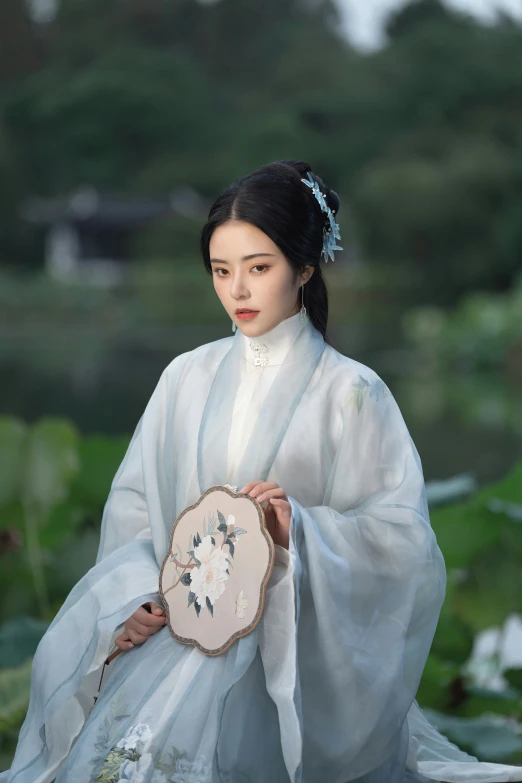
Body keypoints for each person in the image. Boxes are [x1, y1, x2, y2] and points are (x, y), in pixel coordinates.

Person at [2, 159, 521, 783]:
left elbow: (400, 539)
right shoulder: (183, 378)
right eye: (221, 271)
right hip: (181, 633)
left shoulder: (353, 393)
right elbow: (137, 507)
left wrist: (296, 528)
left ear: (304, 268)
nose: (237, 291)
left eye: (259, 268)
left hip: (287, 652)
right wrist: (139, 598)